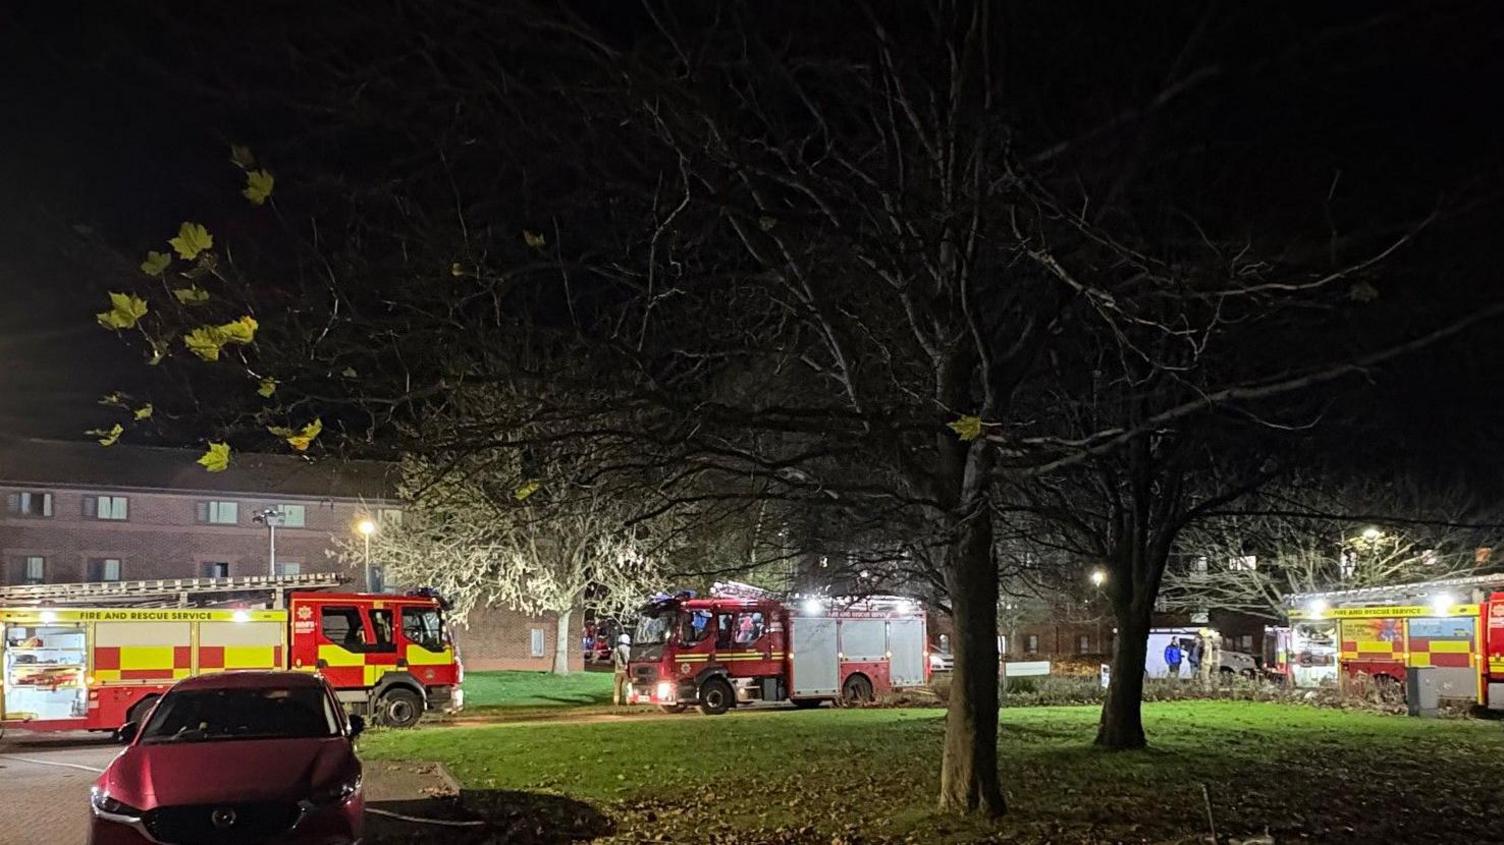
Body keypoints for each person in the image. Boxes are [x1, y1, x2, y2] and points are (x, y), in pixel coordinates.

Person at [612, 633, 632, 705]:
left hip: (617, 670)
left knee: (617, 687)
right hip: (626, 670)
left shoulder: (615, 649)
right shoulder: (628, 649)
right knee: (627, 686)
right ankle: (628, 701)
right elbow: (628, 658)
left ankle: (616, 701)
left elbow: (613, 659)